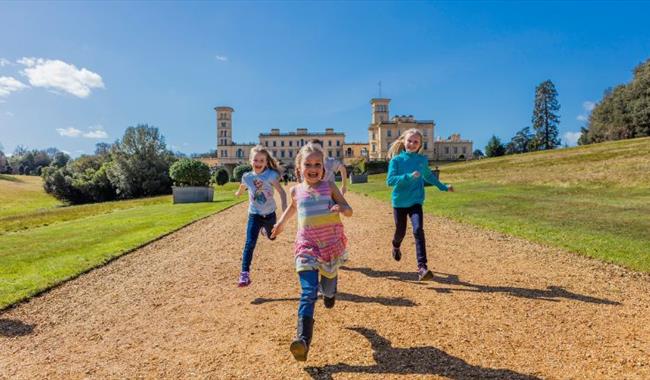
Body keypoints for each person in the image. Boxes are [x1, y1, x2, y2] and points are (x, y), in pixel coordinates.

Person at [271, 142, 352, 361]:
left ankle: (330, 293)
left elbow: (349, 210)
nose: (313, 167)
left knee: (327, 287)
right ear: (299, 168)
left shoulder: (329, 187)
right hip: (306, 246)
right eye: (308, 164)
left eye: (317, 163)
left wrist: (340, 208)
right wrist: (280, 224)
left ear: (324, 168)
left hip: (330, 247)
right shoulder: (296, 190)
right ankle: (303, 340)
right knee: (308, 292)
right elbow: (292, 208)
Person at [386, 128, 454, 281]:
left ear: (420, 145)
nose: (412, 144)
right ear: (403, 141)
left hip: (416, 201)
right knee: (400, 232)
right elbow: (390, 181)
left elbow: (429, 176)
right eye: (409, 141)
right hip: (400, 202)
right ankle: (396, 246)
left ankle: (422, 267)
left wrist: (443, 187)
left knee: (418, 230)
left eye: (415, 142)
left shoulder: (422, 161)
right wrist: (409, 177)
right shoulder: (396, 160)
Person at [234, 145, 287, 287]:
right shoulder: (247, 176)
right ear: (250, 160)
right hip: (254, 214)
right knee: (249, 243)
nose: (258, 163)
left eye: (261, 161)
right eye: (255, 160)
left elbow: (281, 192)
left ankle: (266, 230)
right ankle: (244, 274)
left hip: (270, 214)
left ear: (265, 162)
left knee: (272, 237)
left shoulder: (270, 175)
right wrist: (238, 193)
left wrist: (284, 210)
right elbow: (242, 187)